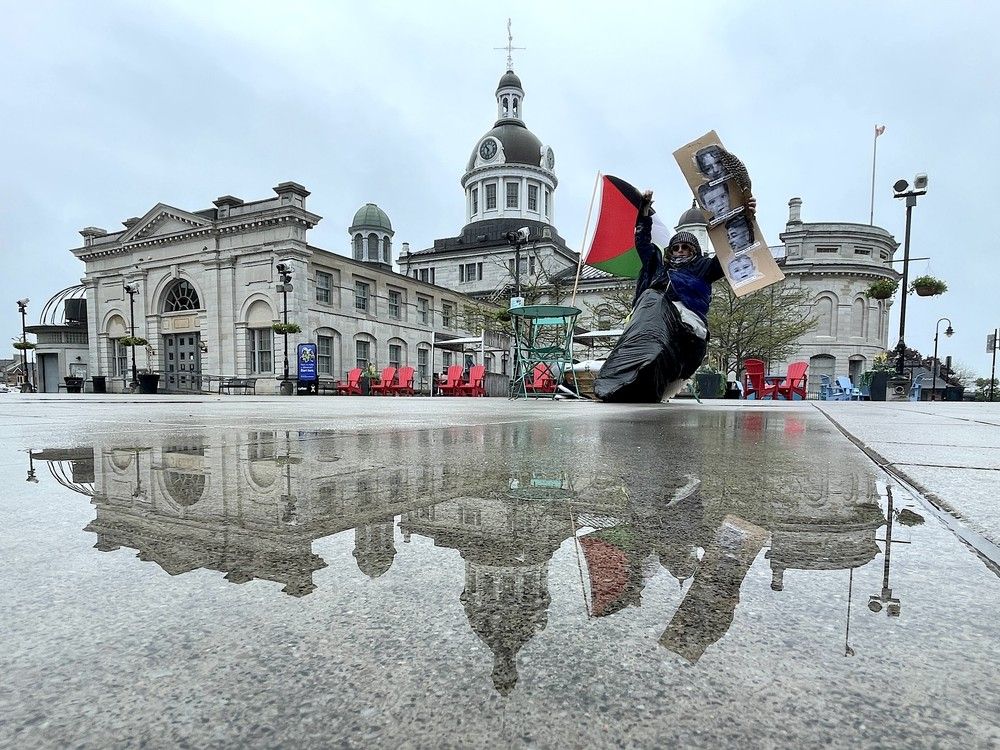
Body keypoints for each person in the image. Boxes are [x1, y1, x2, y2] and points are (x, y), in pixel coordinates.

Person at [596, 190, 754, 402]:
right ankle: (627, 377)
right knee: (651, 296)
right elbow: (643, 244)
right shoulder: (658, 269)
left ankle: (640, 362)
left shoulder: (703, 268)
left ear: (694, 251)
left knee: (653, 298)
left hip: (687, 328)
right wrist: (643, 215)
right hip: (652, 320)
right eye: (676, 248)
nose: (680, 251)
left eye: (686, 248)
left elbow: (730, 250)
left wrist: (745, 218)